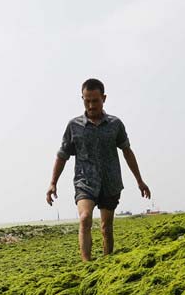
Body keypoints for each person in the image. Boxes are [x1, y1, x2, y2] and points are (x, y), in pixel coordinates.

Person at [47, 78, 151, 261]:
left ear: (104, 98)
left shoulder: (115, 124)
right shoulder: (74, 126)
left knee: (106, 227)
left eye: (95, 100)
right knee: (85, 218)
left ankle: (106, 263)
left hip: (110, 182)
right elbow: (62, 155)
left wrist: (139, 181)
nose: (91, 105)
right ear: (82, 99)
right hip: (84, 182)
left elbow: (127, 151)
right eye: (87, 100)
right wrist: (52, 183)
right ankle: (87, 265)